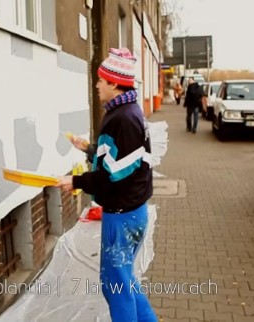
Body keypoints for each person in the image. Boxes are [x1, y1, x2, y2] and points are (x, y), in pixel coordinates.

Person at [55, 48, 157, 322]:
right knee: (123, 280)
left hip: (122, 218)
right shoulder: (127, 112)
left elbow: (113, 175)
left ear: (113, 82)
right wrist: (89, 148)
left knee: (116, 287)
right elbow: (121, 159)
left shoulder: (122, 119)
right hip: (132, 213)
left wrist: (75, 181)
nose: (97, 84)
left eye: (101, 80)